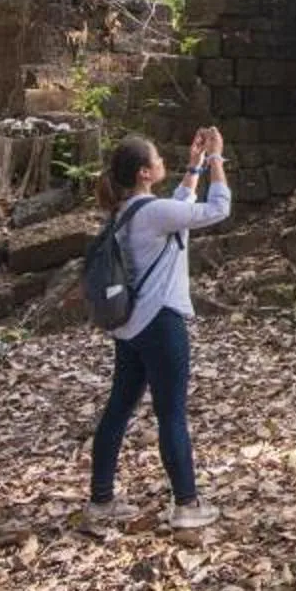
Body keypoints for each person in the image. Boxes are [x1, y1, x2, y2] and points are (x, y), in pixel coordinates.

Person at [86, 125, 230, 529]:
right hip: (162, 324)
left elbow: (179, 207)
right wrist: (217, 159)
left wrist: (194, 166)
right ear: (144, 173)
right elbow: (217, 209)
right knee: (171, 413)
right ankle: (186, 504)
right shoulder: (153, 212)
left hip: (130, 327)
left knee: (118, 408)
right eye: (157, 159)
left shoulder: (126, 211)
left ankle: (100, 500)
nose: (162, 162)